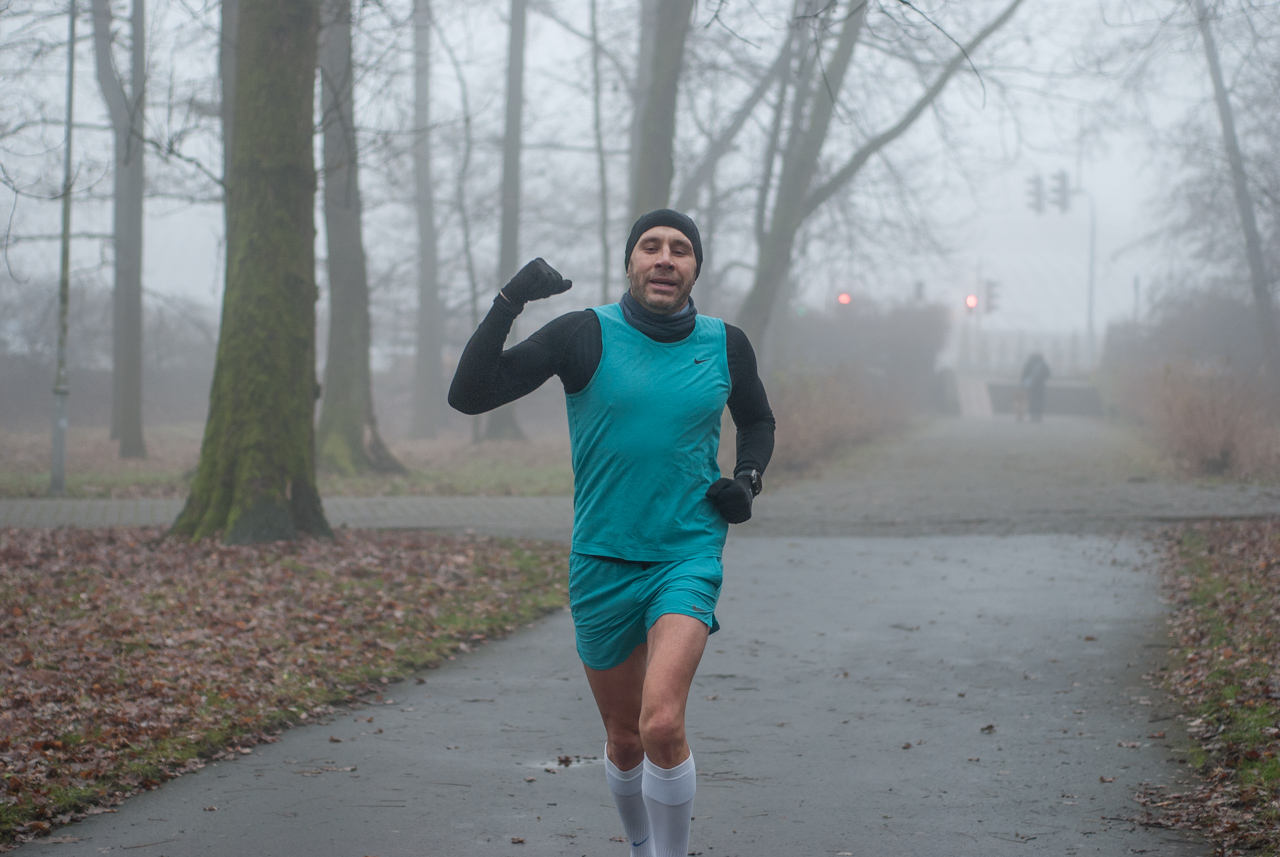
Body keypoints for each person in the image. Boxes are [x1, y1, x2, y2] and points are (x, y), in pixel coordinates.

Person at [449, 209, 775, 857]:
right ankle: (639, 845)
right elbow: (470, 394)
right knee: (625, 736)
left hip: (686, 551)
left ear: (694, 269)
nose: (664, 257)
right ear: (630, 262)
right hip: (600, 558)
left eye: (680, 249)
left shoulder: (725, 343)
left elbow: (757, 420)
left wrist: (747, 479)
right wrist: (509, 301)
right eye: (649, 246)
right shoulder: (583, 334)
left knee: (661, 721)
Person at [1020, 352, 1051, 423]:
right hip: (1040, 385)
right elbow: (1048, 374)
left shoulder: (1029, 363)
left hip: (1032, 386)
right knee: (1040, 400)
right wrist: (1042, 378)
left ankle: (1032, 415)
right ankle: (1039, 416)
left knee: (1032, 400)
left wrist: (1023, 384)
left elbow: (1024, 374)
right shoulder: (1043, 364)